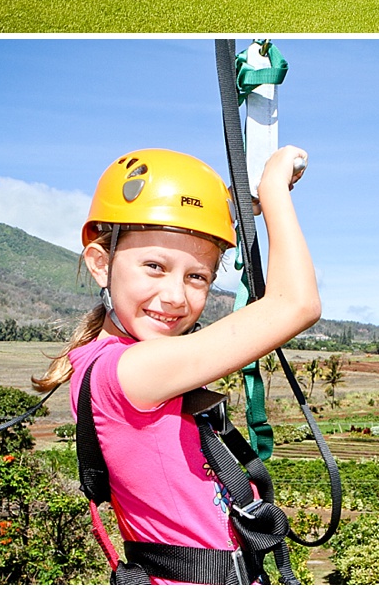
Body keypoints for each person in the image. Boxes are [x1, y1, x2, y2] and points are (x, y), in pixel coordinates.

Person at [32, 146, 319, 583]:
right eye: (154, 266)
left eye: (196, 276)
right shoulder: (128, 372)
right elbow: (296, 304)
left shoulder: (105, 360)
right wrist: (274, 188)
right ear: (100, 263)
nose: (175, 297)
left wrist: (237, 206)